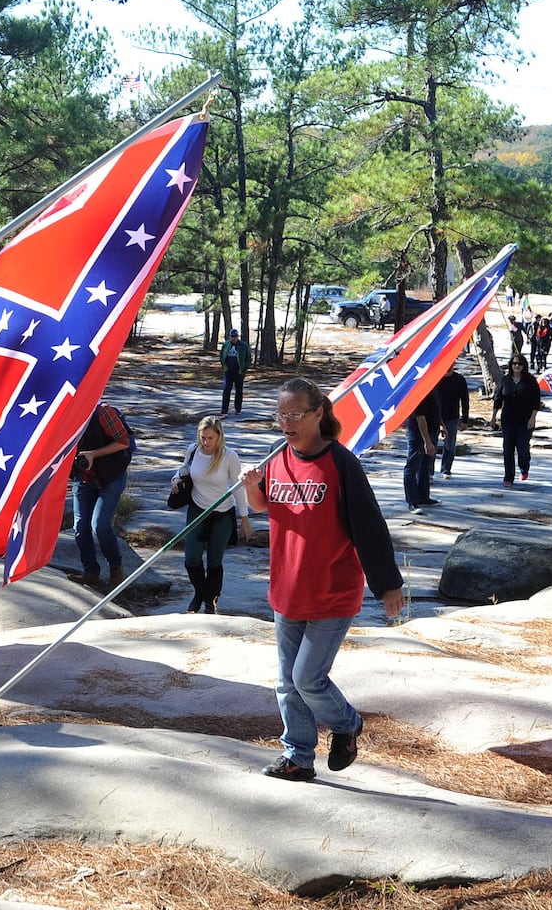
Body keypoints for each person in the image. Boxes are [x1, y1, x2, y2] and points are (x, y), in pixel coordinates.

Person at [242, 378, 405, 783]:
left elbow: (368, 526)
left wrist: (387, 584)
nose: (286, 423)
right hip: (288, 589)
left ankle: (346, 724)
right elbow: (266, 507)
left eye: (295, 415)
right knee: (286, 684)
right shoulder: (278, 457)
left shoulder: (341, 463)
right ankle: (298, 756)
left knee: (307, 678)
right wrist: (252, 488)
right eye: (281, 415)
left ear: (318, 414)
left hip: (331, 592)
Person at [169, 415, 252, 614]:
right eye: (203, 437)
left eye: (210, 438)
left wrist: (245, 519)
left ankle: (210, 601)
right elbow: (183, 470)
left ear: (219, 437)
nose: (205, 442)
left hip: (222, 513)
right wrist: (175, 480)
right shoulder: (194, 450)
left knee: (215, 561)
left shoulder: (229, 456)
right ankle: (199, 593)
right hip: (198, 509)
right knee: (191, 558)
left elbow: (238, 488)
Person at [69, 401, 132, 589]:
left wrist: (93, 454)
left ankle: (116, 570)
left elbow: (124, 441)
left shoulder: (103, 412)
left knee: (100, 525)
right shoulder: (64, 417)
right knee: (80, 526)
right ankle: (90, 572)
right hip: (85, 477)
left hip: (111, 475)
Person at [491, 355, 540, 487]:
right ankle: (508, 477)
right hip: (508, 419)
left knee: (522, 447)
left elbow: (536, 401)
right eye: (514, 364)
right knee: (507, 448)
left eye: (520, 364)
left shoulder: (530, 381)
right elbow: (498, 398)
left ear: (524, 366)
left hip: (525, 419)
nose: (517, 366)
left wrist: (533, 418)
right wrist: (494, 417)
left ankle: (524, 467)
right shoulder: (505, 380)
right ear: (511, 365)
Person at [402, 388, 440, 512]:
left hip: (432, 431)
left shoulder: (432, 388)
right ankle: (412, 501)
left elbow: (435, 409)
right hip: (418, 434)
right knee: (412, 467)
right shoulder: (420, 390)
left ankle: (423, 497)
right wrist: (427, 441)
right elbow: (421, 419)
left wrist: (442, 425)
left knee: (425, 466)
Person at [433, 366, 469, 478]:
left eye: (451, 365)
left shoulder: (459, 380)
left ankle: (446, 470)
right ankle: (428, 471)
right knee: (431, 443)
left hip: (451, 417)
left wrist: (465, 420)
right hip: (433, 416)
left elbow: (465, 400)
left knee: (449, 444)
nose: (448, 368)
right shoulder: (434, 378)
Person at [220, 328, 251, 416]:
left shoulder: (243, 345)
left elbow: (248, 358)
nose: (234, 338)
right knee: (226, 389)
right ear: (230, 337)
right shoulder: (226, 344)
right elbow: (222, 355)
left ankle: (238, 409)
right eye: (232, 336)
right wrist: (224, 365)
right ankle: (224, 410)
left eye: (235, 336)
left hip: (239, 372)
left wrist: (244, 368)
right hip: (228, 371)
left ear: (238, 336)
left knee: (239, 390)